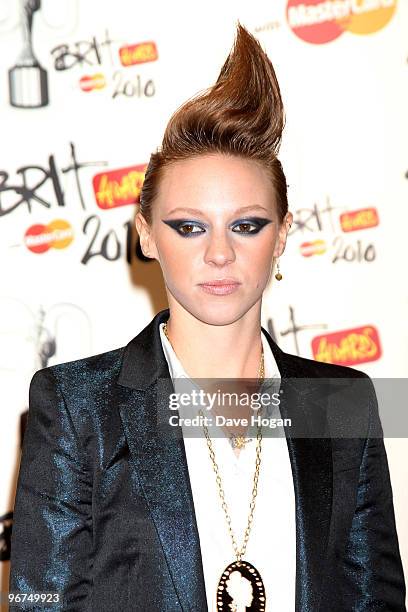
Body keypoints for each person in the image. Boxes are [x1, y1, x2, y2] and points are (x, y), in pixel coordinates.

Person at [9, 22, 406, 612]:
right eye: (189, 226)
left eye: (246, 225)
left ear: (282, 236)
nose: (219, 253)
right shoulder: (76, 405)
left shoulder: (341, 401)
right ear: (146, 234)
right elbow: (38, 602)